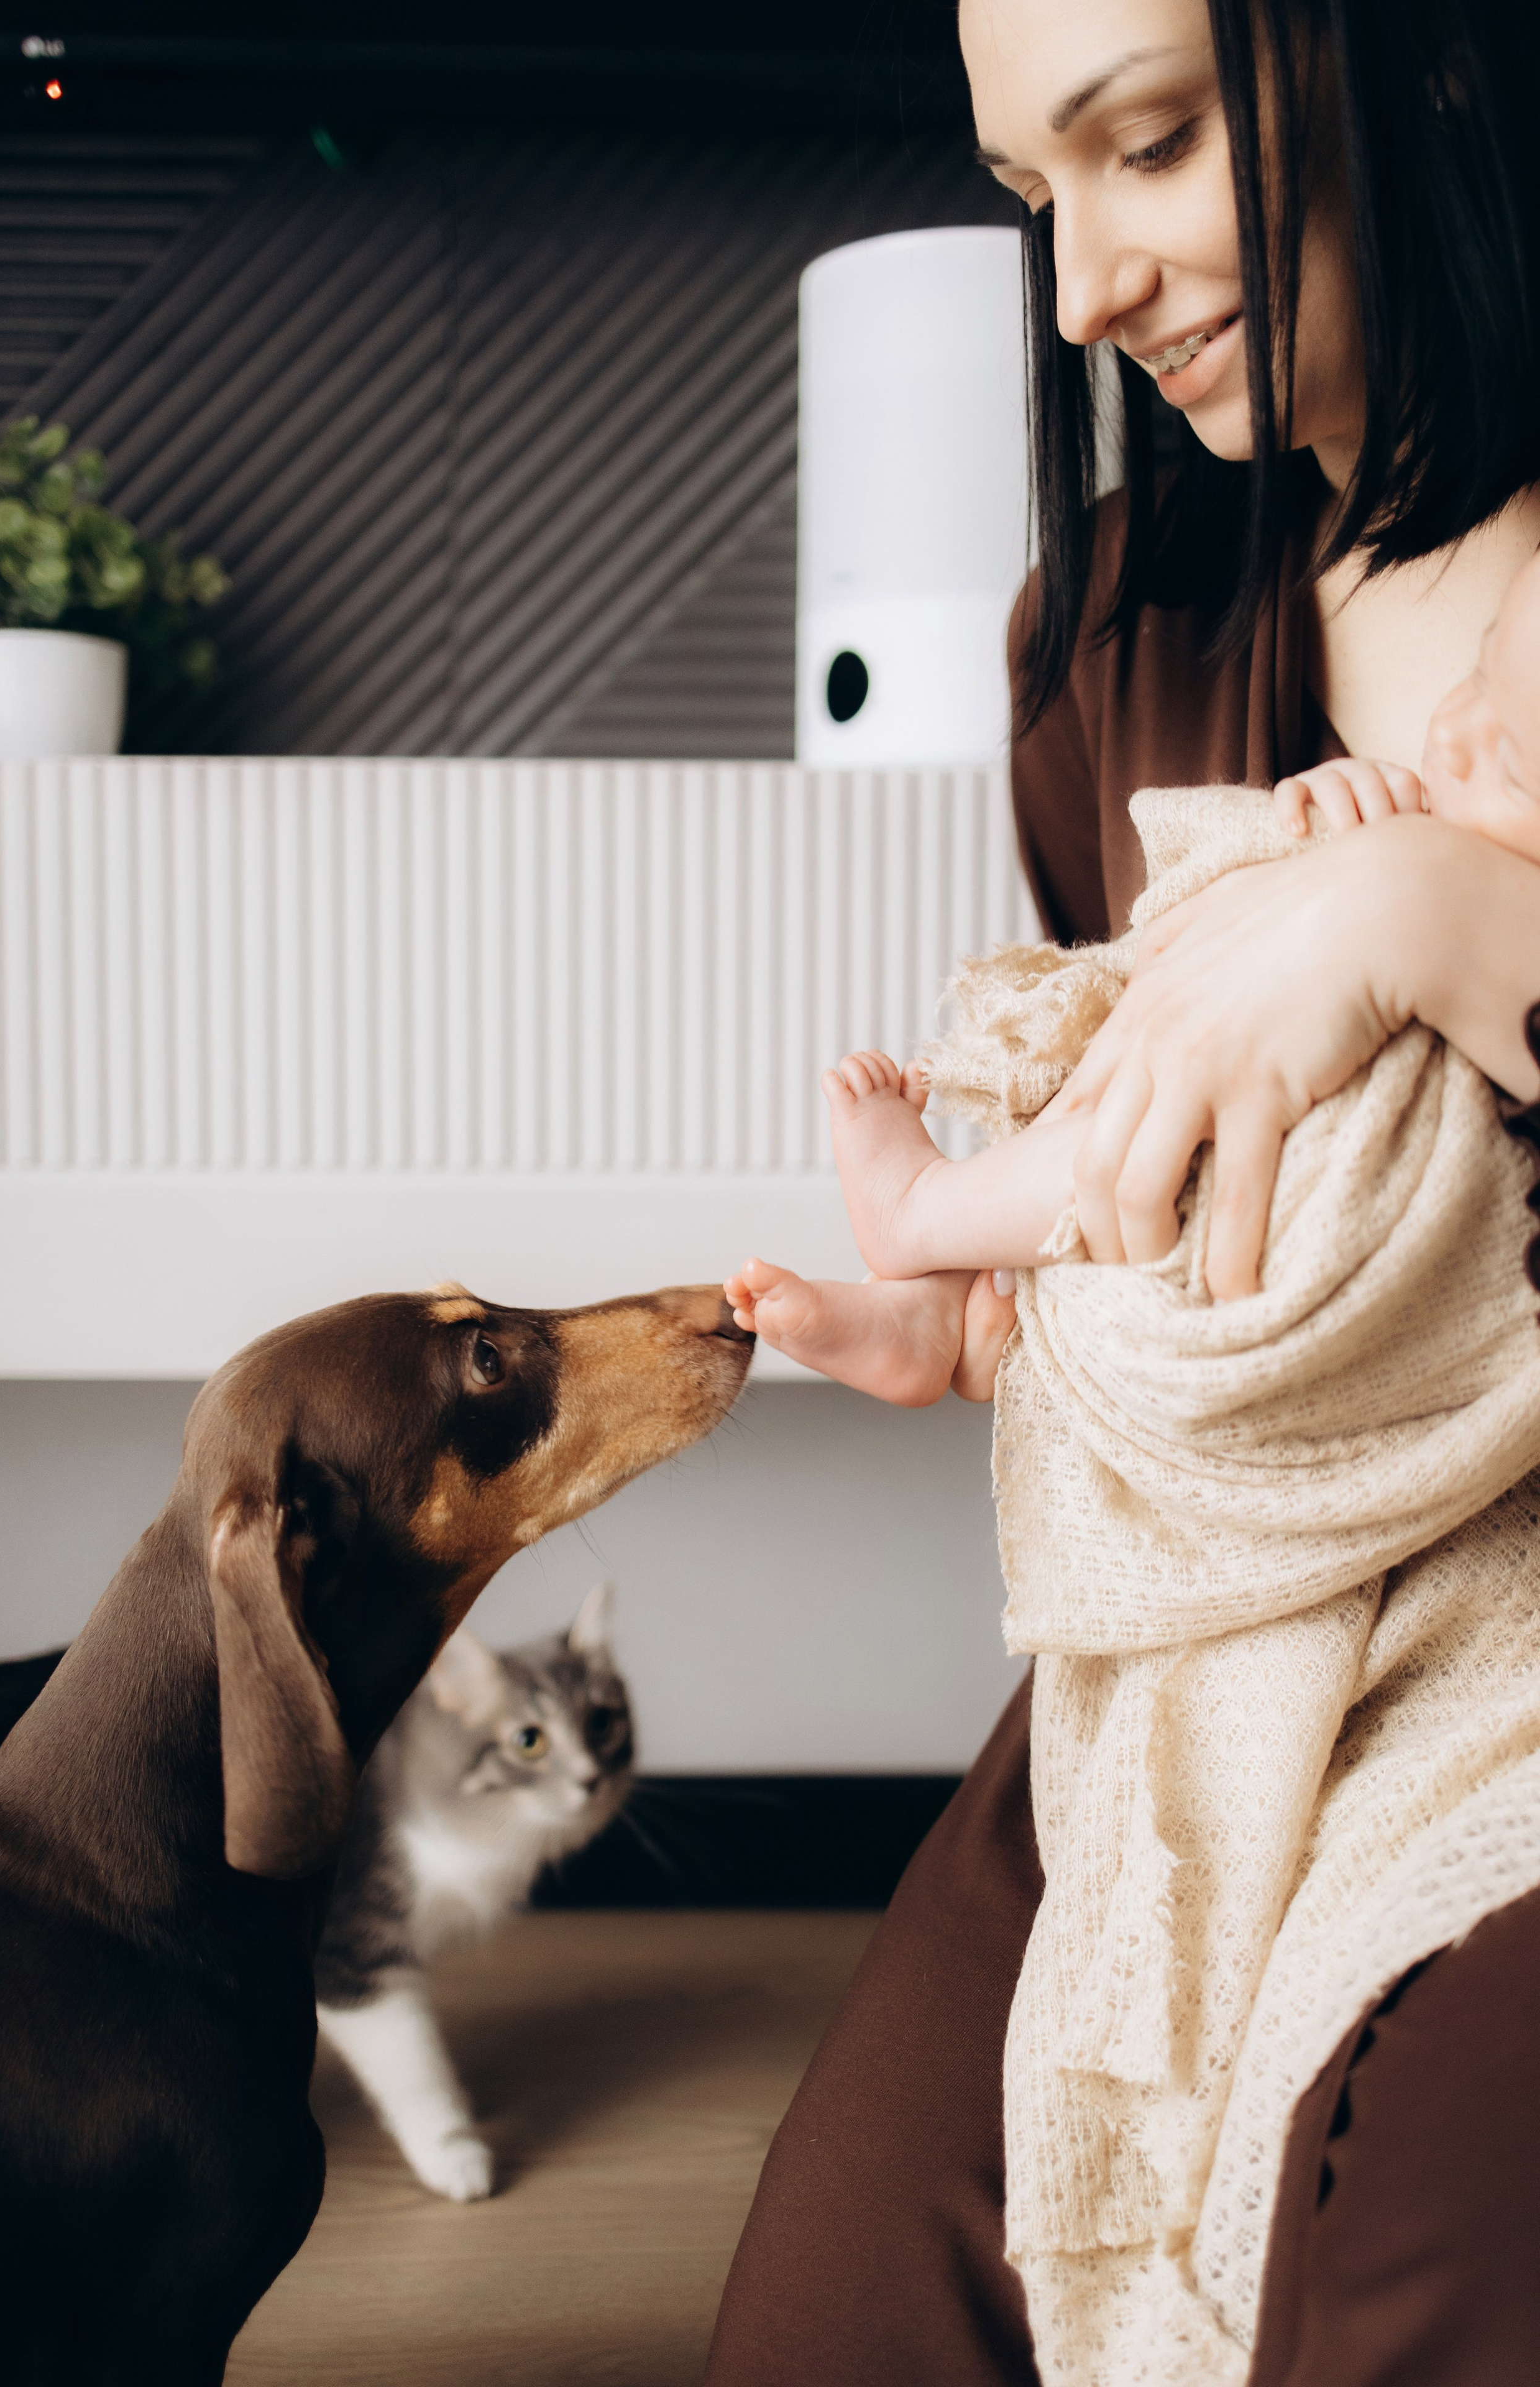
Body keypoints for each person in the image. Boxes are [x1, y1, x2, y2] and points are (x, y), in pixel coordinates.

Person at [703, 0, 1540, 2381]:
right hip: (1214, 1633)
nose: (1074, 291)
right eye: (1027, 190)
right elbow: (1175, 1207)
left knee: (1398, 2251)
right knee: (855, 2313)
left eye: (1149, 144)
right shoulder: (1119, 625)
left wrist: (1456, 928)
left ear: (1436, 59)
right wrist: (979, 1324)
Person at [724, 542, 1540, 1401]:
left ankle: (926, 1211)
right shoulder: (1112, 603)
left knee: (1185, 1138)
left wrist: (1412, 890)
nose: (1449, 737)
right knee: (1150, 1060)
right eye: (1478, 672)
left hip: (1336, 1237)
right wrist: (1354, 808)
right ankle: (950, 1299)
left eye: (1516, 767)